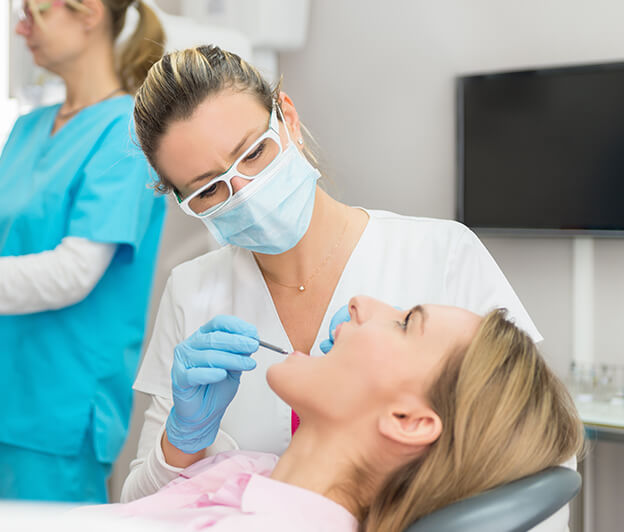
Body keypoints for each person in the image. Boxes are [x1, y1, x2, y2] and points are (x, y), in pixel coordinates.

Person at [122, 44, 543, 501]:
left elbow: (537, 458)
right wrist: (182, 441)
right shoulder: (191, 290)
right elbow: (138, 506)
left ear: (288, 118)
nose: (244, 193)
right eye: (208, 190)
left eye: (254, 153)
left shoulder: (443, 253)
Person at [88, 297, 583, 531]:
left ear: (409, 420)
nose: (361, 303)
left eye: (406, 322)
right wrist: (186, 440)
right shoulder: (249, 473)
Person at [0, 0, 166, 503]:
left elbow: (74, 272)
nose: (22, 27)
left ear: (88, 12)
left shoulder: (127, 131)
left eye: (36, 12)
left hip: (58, 409)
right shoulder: (29, 128)